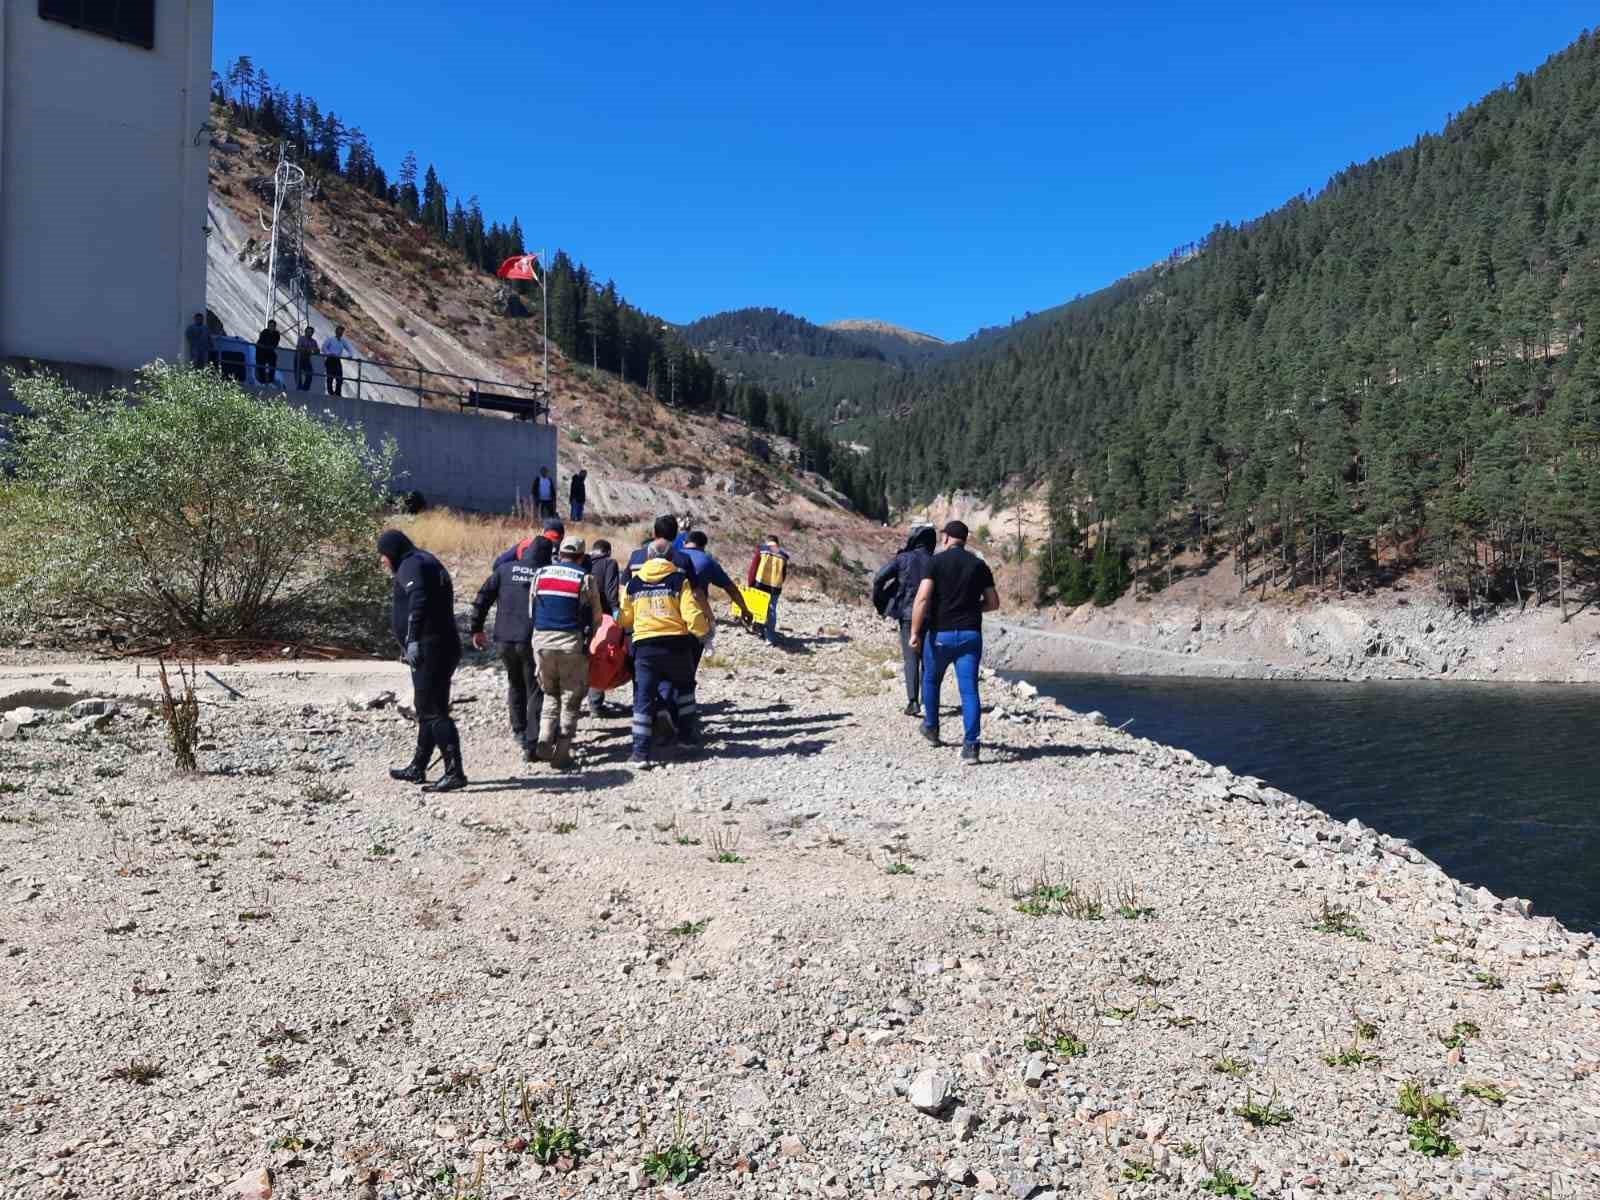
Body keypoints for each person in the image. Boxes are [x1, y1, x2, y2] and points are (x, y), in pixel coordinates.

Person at [379, 529, 468, 792]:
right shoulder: (425, 560)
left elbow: (419, 599)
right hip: (441, 644)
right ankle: (418, 766)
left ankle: (455, 772)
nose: (383, 562)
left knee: (433, 710)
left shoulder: (410, 566)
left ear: (393, 552)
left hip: (431, 646)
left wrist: (413, 639)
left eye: (383, 556)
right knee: (427, 706)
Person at [908, 520, 1001, 765]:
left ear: (947, 538)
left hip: (940, 634)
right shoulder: (979, 565)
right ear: (965, 540)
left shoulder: (935, 563)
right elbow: (993, 603)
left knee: (931, 679)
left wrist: (915, 632)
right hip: (971, 635)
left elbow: (922, 599)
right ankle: (971, 746)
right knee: (969, 690)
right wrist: (972, 608)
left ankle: (931, 728)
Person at [620, 540, 709, 765]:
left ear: (648, 558)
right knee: (685, 688)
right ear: (671, 559)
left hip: (645, 647)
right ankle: (687, 738)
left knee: (643, 697)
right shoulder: (681, 581)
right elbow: (692, 613)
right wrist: (702, 633)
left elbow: (625, 618)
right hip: (676, 645)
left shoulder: (634, 583)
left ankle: (640, 753)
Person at [530, 535, 605, 768]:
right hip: (571, 644)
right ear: (582, 556)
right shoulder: (586, 578)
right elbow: (597, 617)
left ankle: (544, 736)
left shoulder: (540, 574)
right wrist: (590, 639)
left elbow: (532, 612)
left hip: (542, 644)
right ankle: (562, 753)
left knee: (550, 693)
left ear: (560, 553)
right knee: (571, 699)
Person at [469, 534, 543, 761]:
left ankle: (519, 731)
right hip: (530, 640)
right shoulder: (544, 573)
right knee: (534, 687)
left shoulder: (504, 570)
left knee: (515, 683)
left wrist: (476, 628)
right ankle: (532, 742)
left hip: (503, 638)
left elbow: (482, 597)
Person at [875, 524, 937, 716]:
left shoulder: (902, 559)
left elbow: (878, 578)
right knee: (928, 658)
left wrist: (881, 603)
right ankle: (928, 700)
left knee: (911, 658)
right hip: (932, 616)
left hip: (908, 616)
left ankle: (913, 702)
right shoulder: (937, 562)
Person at [682, 530, 750, 666]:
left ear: (685, 543)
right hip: (695, 620)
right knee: (688, 670)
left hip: (665, 617)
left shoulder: (671, 556)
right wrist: (744, 609)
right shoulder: (707, 561)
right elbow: (731, 588)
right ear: (703, 546)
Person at [585, 539, 621, 717]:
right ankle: (595, 704)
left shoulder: (583, 561)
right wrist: (616, 610)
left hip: (581, 617)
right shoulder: (610, 563)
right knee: (599, 657)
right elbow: (611, 589)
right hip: (602, 617)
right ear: (608, 551)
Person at [747, 534, 791, 641]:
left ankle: (759, 630)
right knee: (771, 611)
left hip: (760, 584)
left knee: (758, 608)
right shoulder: (783, 555)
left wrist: (750, 583)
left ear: (768, 541)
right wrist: (779, 584)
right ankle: (770, 637)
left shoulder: (762, 550)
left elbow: (754, 568)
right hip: (775, 587)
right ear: (777, 543)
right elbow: (783, 574)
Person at [321, 324, 353, 396]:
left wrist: (349, 355)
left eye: (341, 331)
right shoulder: (330, 339)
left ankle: (337, 393)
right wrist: (329, 353)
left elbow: (349, 348)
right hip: (330, 359)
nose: (340, 333)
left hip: (337, 360)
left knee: (339, 378)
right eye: (339, 331)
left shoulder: (343, 341)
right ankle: (331, 393)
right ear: (336, 331)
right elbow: (323, 348)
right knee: (330, 377)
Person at [254, 320, 281, 386]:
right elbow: (262, 341)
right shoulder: (264, 332)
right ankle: (261, 379)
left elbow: (275, 343)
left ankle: (270, 379)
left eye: (273, 326)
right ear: (268, 326)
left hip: (269, 350)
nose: (272, 327)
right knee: (261, 363)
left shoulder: (276, 334)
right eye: (271, 326)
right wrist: (267, 346)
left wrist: (270, 347)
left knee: (273, 360)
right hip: (261, 350)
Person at [295, 327, 317, 392]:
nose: (309, 333)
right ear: (305, 332)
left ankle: (305, 389)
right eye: (308, 332)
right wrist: (308, 349)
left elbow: (317, 351)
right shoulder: (301, 338)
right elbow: (299, 347)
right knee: (298, 373)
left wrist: (314, 350)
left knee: (309, 373)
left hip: (307, 359)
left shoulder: (314, 341)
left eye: (310, 332)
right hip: (299, 357)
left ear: (312, 333)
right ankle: (299, 387)